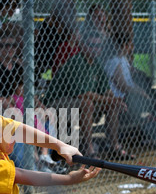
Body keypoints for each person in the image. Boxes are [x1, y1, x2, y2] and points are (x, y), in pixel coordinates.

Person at [44, 29, 134, 160]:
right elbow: (83, 95)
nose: (95, 49)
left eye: (98, 46)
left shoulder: (96, 63)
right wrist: (110, 100)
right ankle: (89, 149)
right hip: (56, 103)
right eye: (91, 45)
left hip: (77, 102)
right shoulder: (77, 62)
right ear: (83, 46)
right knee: (87, 103)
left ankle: (114, 147)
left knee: (112, 105)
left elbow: (105, 90)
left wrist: (115, 100)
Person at [0, 23, 58, 171]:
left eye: (12, 45)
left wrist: (40, 106)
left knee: (47, 116)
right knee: (25, 121)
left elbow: (26, 92)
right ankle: (35, 163)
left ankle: (44, 158)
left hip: (19, 105)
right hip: (1, 110)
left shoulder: (18, 67)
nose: (9, 49)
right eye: (4, 46)